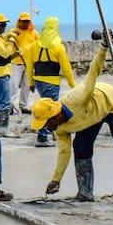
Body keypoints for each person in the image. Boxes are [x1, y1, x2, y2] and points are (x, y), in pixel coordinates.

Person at [30, 43, 113, 211]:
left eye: (47, 123)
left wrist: (103, 48)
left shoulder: (78, 98)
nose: (47, 128)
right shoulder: (60, 128)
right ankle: (85, 194)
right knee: (80, 147)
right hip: (91, 117)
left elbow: (93, 72)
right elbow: (64, 152)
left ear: (54, 115)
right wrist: (56, 180)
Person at [25, 16, 76, 146]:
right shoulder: (58, 47)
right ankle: (43, 136)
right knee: (48, 109)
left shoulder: (34, 45)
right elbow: (66, 68)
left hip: (38, 80)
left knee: (44, 105)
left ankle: (49, 132)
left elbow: (29, 66)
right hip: (52, 82)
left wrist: (30, 83)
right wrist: (72, 85)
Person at [9, 11, 38, 119]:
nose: (25, 23)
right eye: (23, 21)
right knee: (14, 86)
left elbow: (37, 45)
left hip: (29, 63)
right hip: (16, 63)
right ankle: (10, 106)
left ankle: (23, 105)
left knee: (27, 86)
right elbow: (8, 42)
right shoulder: (14, 31)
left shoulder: (34, 33)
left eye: (27, 21)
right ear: (19, 21)